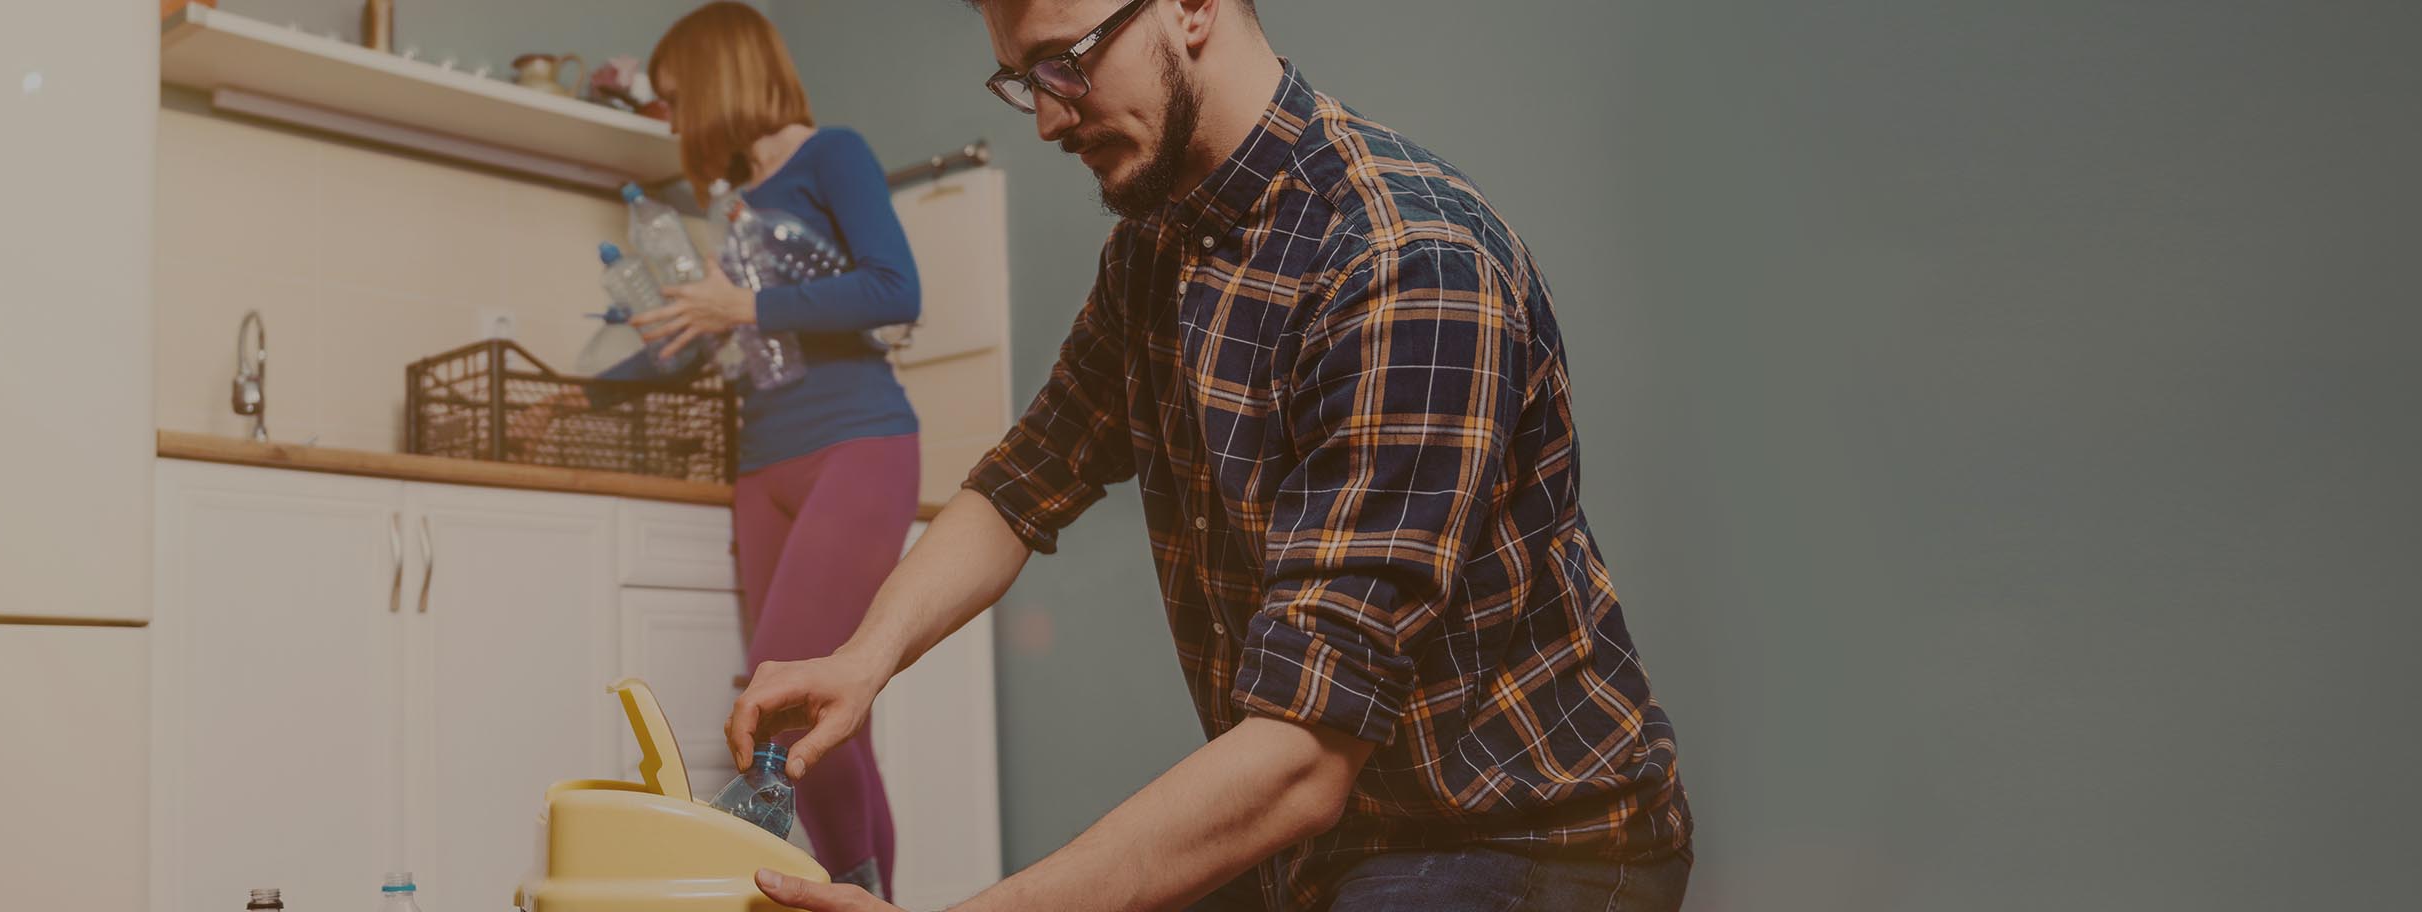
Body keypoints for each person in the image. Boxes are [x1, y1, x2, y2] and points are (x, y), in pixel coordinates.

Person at [727, 0, 1690, 909]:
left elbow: (1304, 756)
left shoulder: (1405, 265)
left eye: (1067, 61)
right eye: (1024, 80)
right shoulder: (1157, 245)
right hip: (1327, 825)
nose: (1048, 122)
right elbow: (1020, 485)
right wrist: (860, 662)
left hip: (1523, 837)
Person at [639, 1, 921, 895]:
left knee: (794, 709)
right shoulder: (732, 205)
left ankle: (858, 899)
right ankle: (872, 899)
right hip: (763, 463)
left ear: (721, 78)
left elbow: (893, 287)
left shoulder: (832, 152)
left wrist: (745, 307)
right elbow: (745, 337)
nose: (673, 119)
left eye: (677, 97)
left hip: (857, 444)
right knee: (833, 721)